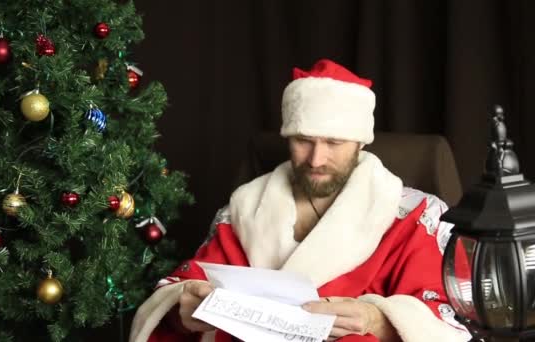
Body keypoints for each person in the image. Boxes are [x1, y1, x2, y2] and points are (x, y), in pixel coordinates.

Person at [130, 59, 471, 342]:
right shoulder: (244, 211)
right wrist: (183, 307)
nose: (317, 159)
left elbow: (454, 317)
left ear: (360, 143)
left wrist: (378, 320)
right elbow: (182, 287)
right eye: (303, 141)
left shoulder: (415, 218)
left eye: (334, 143)